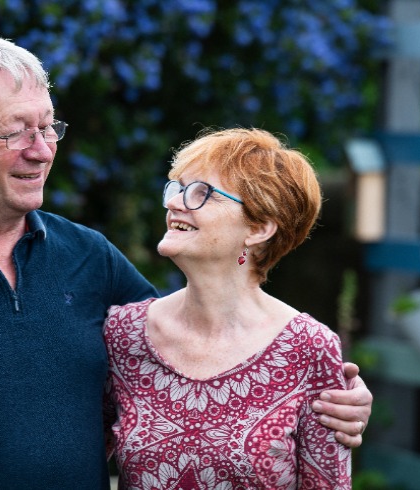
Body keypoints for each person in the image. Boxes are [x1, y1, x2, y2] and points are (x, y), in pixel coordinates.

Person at [0, 35, 369, 489]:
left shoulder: (88, 258)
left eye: (48, 126)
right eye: (16, 132)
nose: (43, 148)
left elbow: (195, 346)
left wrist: (331, 399)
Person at [104, 128, 353, 489]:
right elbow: (69, 456)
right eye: (177, 187)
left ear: (259, 228)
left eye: (202, 193)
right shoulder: (123, 334)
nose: (175, 203)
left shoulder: (309, 349)